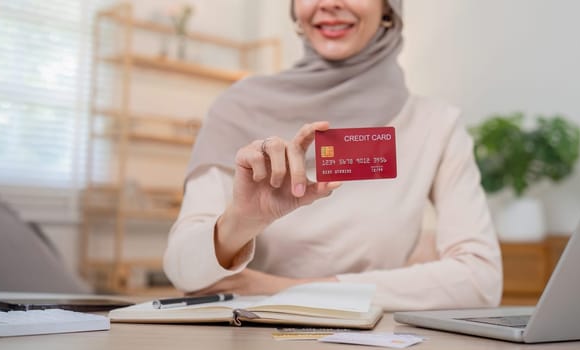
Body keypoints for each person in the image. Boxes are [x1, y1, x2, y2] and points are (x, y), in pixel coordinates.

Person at [163, 0, 502, 311]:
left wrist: (288, 290)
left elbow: (481, 280)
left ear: (389, 8)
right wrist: (241, 222)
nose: (329, 3)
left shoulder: (435, 124)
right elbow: (184, 270)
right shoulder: (238, 109)